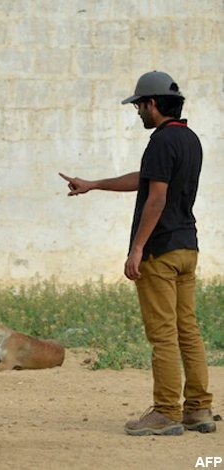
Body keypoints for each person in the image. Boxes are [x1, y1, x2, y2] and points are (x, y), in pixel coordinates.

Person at [59, 71, 216, 436]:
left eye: (140, 106)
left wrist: (137, 247)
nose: (138, 113)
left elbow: (156, 196)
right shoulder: (189, 139)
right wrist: (94, 184)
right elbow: (146, 179)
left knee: (163, 335)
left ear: (153, 104)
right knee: (188, 331)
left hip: (160, 252)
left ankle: (165, 412)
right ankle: (198, 408)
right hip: (186, 247)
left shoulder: (161, 141)